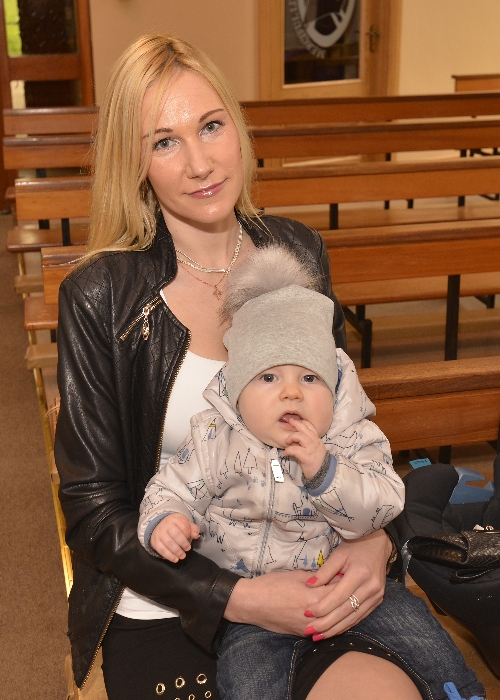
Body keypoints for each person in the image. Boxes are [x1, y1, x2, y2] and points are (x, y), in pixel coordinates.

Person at [54, 33, 486, 700]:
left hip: (312, 563)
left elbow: (348, 426)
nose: (200, 163)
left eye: (210, 126)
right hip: (172, 596)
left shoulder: (297, 253)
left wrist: (378, 541)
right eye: (164, 142)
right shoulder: (101, 294)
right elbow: (93, 510)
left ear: (238, 126)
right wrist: (238, 597)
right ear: (135, 164)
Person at [137, 244, 410, 699]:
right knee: (249, 680)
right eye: (268, 377)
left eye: (309, 378)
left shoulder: (349, 438)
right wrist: (166, 521)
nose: (291, 393)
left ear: (334, 388)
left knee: (424, 643)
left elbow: (384, 503)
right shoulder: (214, 440)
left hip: (344, 587)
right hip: (252, 609)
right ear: (237, 391)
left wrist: (326, 471)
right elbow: (170, 489)